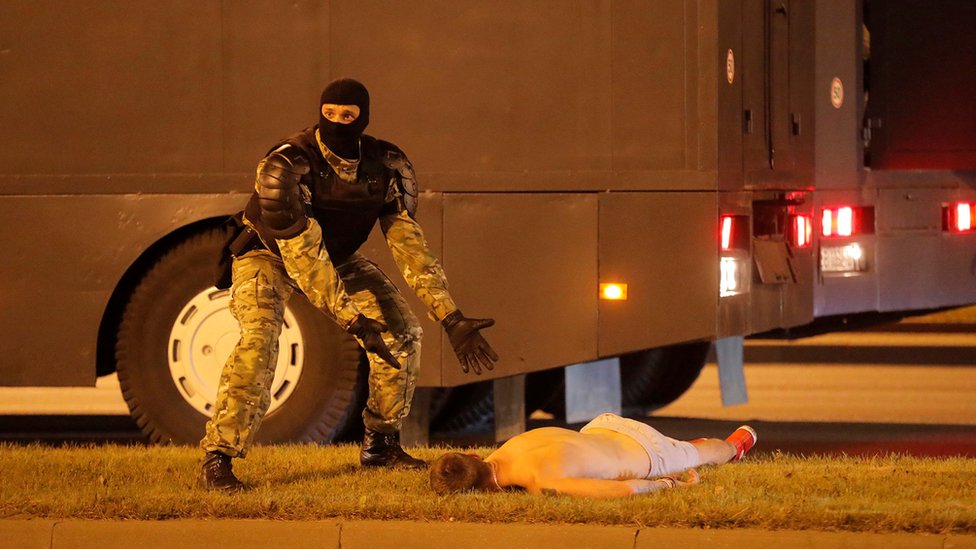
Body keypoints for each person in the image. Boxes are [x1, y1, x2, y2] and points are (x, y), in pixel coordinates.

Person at [200, 78, 498, 491]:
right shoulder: (287, 164)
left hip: (336, 257)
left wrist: (450, 317)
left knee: (402, 333)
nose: (338, 122)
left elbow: (410, 247)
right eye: (330, 114)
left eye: (348, 115)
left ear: (363, 117)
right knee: (259, 340)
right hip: (267, 255)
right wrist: (353, 321)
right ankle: (218, 457)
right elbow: (304, 258)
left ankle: (381, 445)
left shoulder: (386, 166)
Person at [429, 413, 757, 498]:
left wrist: (669, 484)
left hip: (647, 453)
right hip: (602, 426)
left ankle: (737, 444)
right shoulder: (507, 448)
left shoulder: (543, 481)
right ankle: (700, 446)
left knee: (702, 453)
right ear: (474, 454)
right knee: (687, 450)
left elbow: (624, 489)